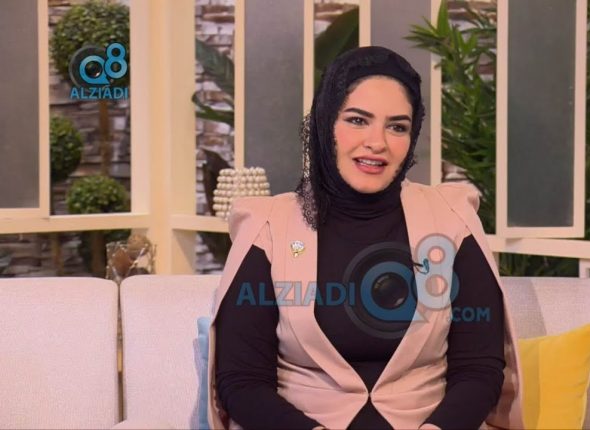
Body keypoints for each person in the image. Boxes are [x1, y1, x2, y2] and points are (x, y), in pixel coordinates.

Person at [206, 46, 524, 430]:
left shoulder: (452, 217)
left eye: (397, 126)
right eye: (358, 120)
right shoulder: (268, 226)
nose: (377, 142)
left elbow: (478, 369)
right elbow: (242, 381)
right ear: (326, 123)